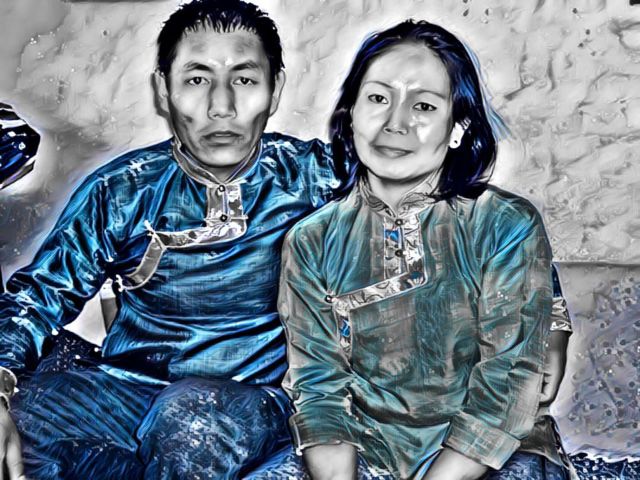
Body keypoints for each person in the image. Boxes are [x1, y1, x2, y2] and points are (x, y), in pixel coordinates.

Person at [0, 1, 353, 478]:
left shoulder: (314, 177)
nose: (221, 106)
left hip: (250, 399)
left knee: (189, 420)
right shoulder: (123, 190)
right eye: (197, 79)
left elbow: (417, 171)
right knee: (22, 421)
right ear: (163, 90)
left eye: (245, 80)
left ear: (275, 90)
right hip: (126, 390)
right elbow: (40, 295)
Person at [278, 20, 574, 480]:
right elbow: (320, 391)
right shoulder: (311, 240)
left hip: (491, 452)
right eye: (378, 98)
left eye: (423, 106)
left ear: (458, 128)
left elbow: (507, 384)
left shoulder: (504, 225)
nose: (394, 124)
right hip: (365, 448)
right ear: (350, 113)